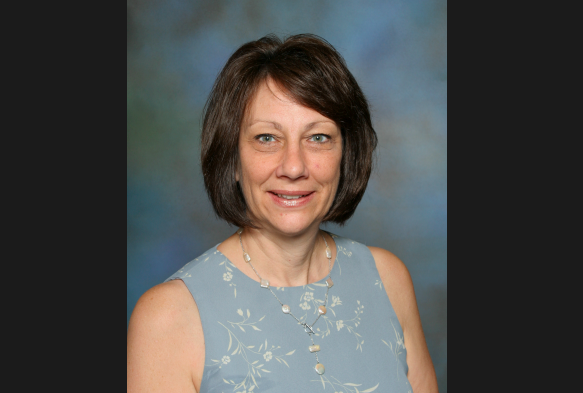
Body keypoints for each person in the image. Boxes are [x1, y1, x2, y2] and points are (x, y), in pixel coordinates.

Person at [127, 34, 439, 393]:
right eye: (266, 138)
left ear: (346, 154)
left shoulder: (388, 280)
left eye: (318, 137)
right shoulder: (167, 318)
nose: (293, 167)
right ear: (232, 158)